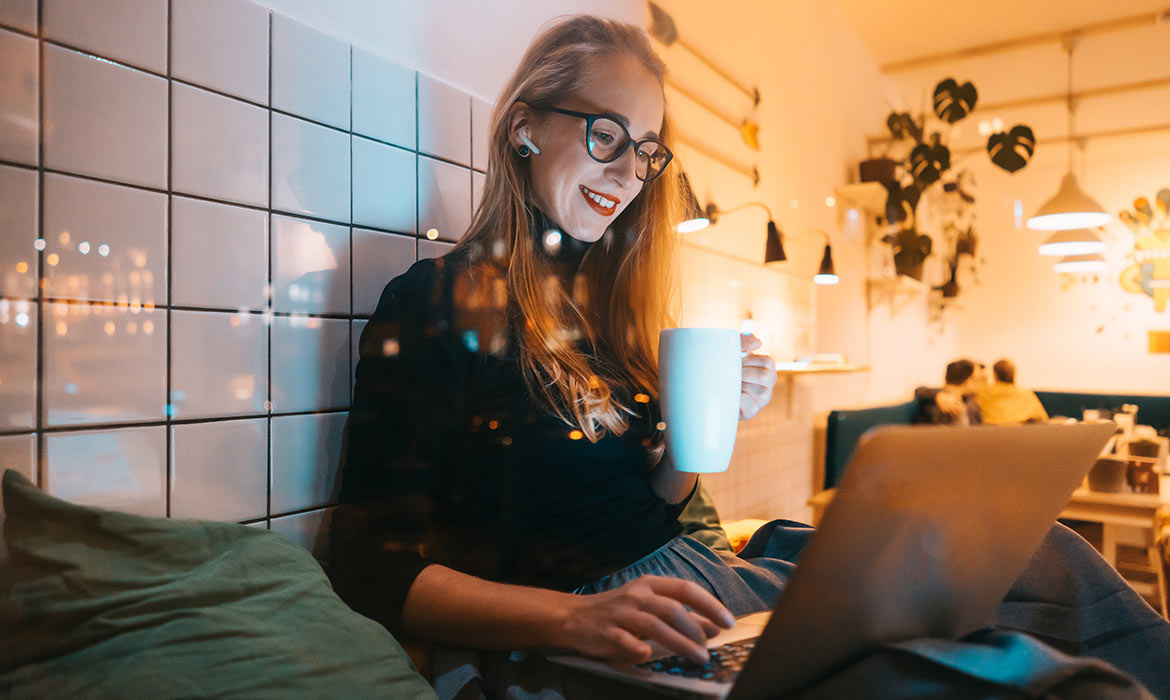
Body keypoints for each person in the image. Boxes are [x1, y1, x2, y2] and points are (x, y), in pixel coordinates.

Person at [329, 15, 1170, 698]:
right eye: (606, 135)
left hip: (691, 573)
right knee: (970, 671)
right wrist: (569, 621)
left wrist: (708, 425)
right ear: (523, 127)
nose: (628, 173)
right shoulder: (438, 301)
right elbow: (373, 568)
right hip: (598, 616)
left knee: (1047, 554)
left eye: (647, 150)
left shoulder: (602, 319)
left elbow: (657, 508)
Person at [978, 359, 1050, 425]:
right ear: (1014, 374)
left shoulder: (983, 392)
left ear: (995, 374)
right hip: (1020, 431)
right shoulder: (1025, 393)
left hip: (991, 431)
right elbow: (1042, 418)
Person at [916, 359, 983, 425]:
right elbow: (919, 391)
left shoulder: (971, 403)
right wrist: (937, 396)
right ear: (969, 381)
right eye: (979, 379)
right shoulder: (936, 402)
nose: (981, 384)